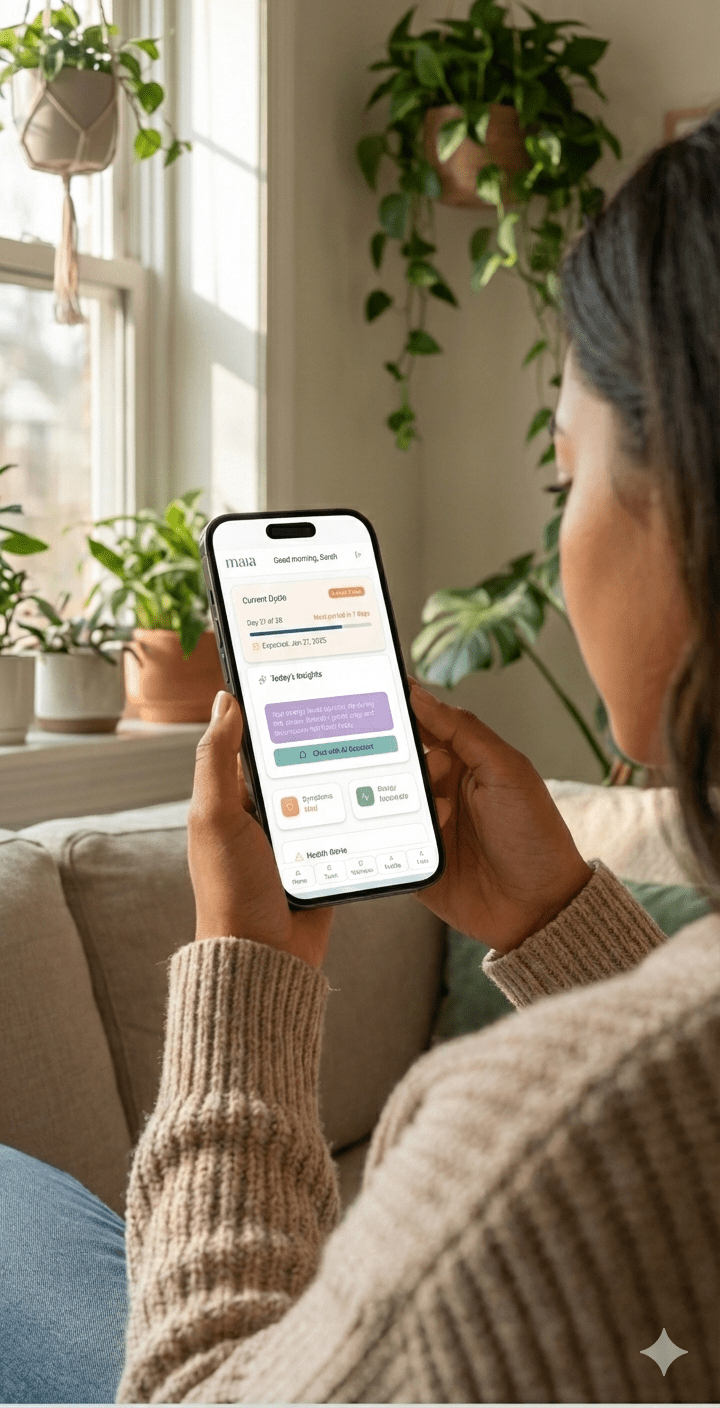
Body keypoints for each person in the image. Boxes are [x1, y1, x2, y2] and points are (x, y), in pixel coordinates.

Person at [3, 118, 720, 1406]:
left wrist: (246, 973)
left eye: (570, 473)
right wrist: (564, 926)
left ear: (693, 494)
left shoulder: (534, 1138)